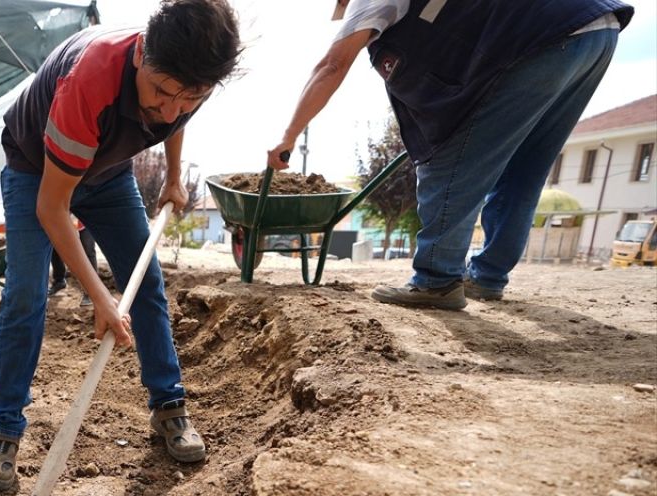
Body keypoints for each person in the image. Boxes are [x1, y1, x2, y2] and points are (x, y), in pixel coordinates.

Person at [0, 0, 241, 491]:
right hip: (37, 170)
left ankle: (169, 406)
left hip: (108, 172)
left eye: (190, 97)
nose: (168, 110)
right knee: (26, 294)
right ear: (141, 54)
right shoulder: (90, 81)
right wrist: (100, 296)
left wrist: (175, 177)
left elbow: (176, 117)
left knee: (149, 282)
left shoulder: (183, 79)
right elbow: (53, 210)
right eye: (161, 92)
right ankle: (4, 430)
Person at [268, 0, 632, 310]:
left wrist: (288, 136)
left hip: (544, 38)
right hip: (594, 30)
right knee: (524, 168)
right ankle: (487, 277)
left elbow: (333, 64)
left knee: (449, 159)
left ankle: (436, 279)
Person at [49, 227, 99, 306]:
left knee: (88, 248)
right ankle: (59, 281)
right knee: (54, 244)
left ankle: (92, 292)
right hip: (63, 218)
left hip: (85, 219)